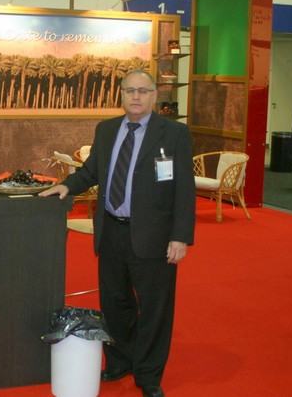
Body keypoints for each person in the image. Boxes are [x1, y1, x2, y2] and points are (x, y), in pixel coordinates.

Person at [39, 69, 195, 397]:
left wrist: (180, 236)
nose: (136, 96)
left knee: (154, 308)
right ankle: (120, 359)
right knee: (115, 302)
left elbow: (184, 189)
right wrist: (67, 186)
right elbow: (91, 171)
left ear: (154, 96)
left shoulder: (174, 133)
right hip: (111, 231)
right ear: (121, 95)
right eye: (129, 91)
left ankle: (148, 374)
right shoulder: (107, 129)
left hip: (154, 236)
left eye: (143, 91)